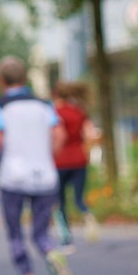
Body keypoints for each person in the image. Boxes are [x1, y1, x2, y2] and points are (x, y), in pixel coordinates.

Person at [0, 57, 76, 275]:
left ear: (1, 81)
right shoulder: (44, 105)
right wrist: (49, 156)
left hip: (13, 178)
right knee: (40, 234)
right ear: (24, 79)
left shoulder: (0, 105)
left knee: (16, 234)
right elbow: (59, 135)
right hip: (45, 176)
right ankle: (50, 252)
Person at [52, 82, 99, 250]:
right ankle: (87, 213)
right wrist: (85, 150)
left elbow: (57, 135)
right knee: (79, 198)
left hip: (59, 161)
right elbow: (90, 134)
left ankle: (66, 239)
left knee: (59, 201)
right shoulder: (79, 112)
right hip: (79, 159)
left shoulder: (55, 113)